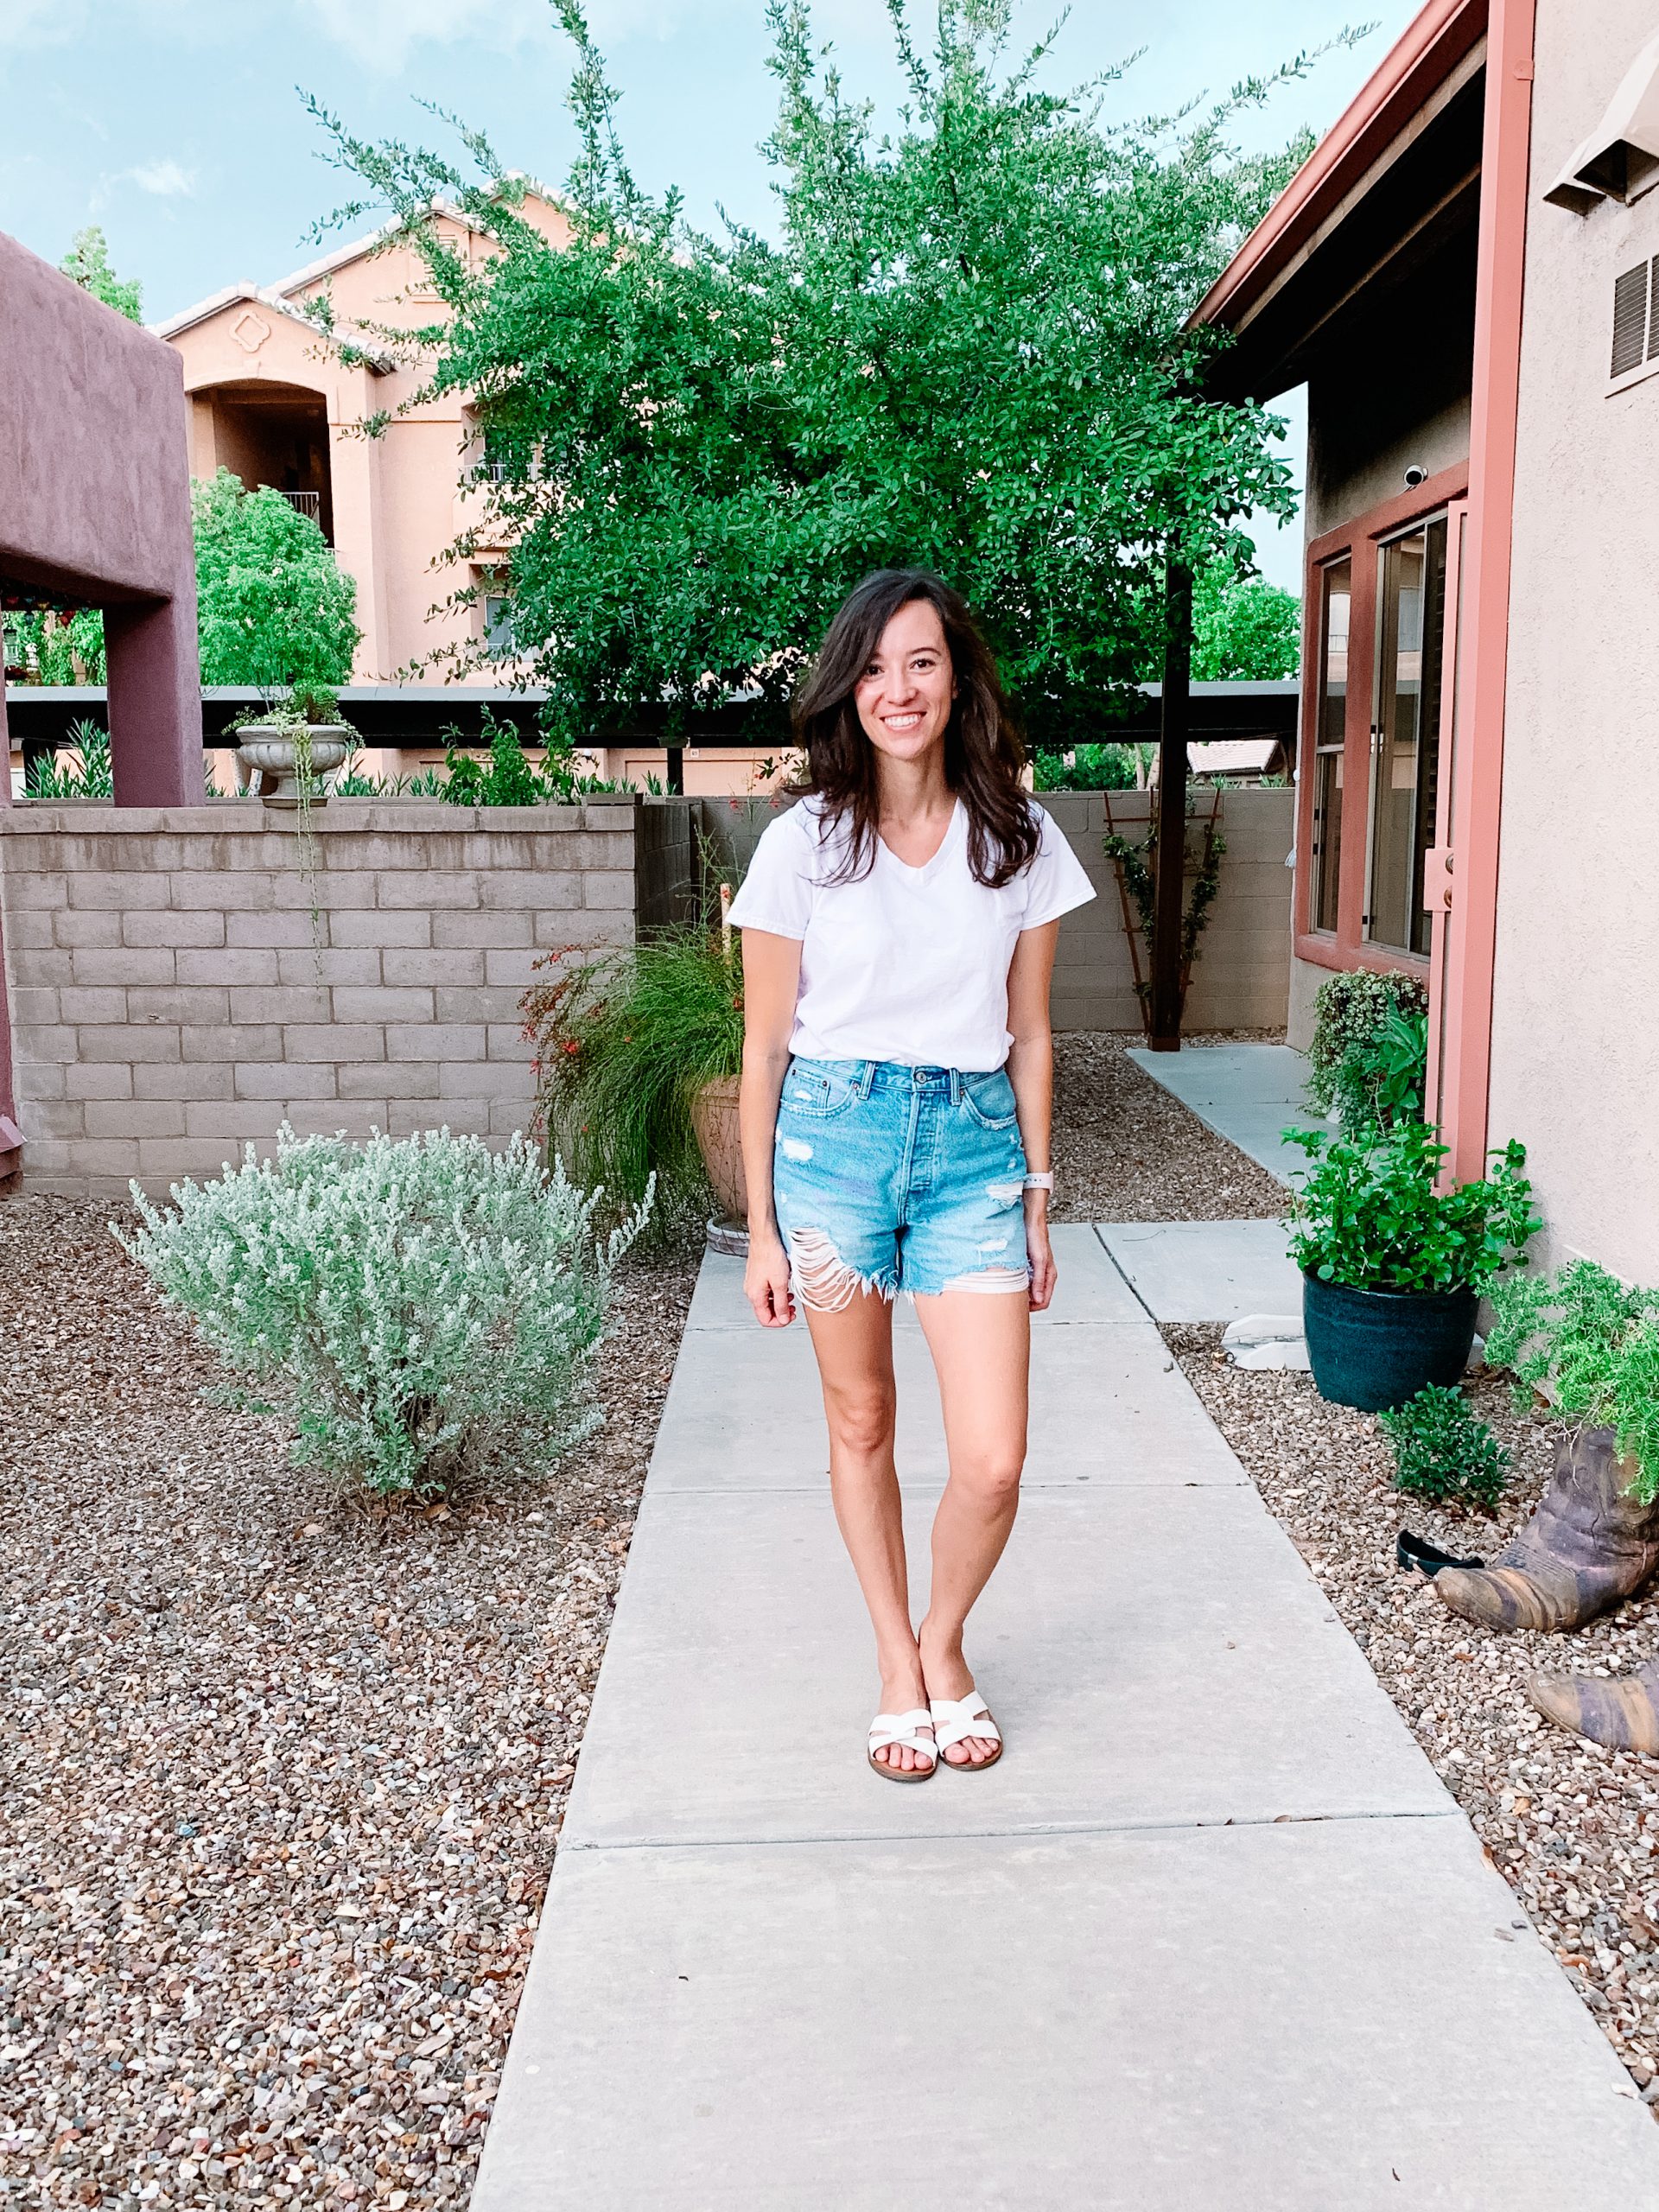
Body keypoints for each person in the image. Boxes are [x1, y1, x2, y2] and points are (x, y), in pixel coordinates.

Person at [728, 569, 1096, 1781]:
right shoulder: (803, 846)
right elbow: (764, 1047)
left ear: (958, 679)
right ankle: (899, 1663)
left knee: (993, 1456)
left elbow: (1033, 1034)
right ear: (849, 687)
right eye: (876, 667)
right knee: (865, 1416)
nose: (900, 689)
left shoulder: (1021, 841)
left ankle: (944, 1639)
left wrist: (1040, 1199)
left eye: (923, 662)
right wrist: (766, 1230)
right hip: (832, 1149)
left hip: (976, 1155)